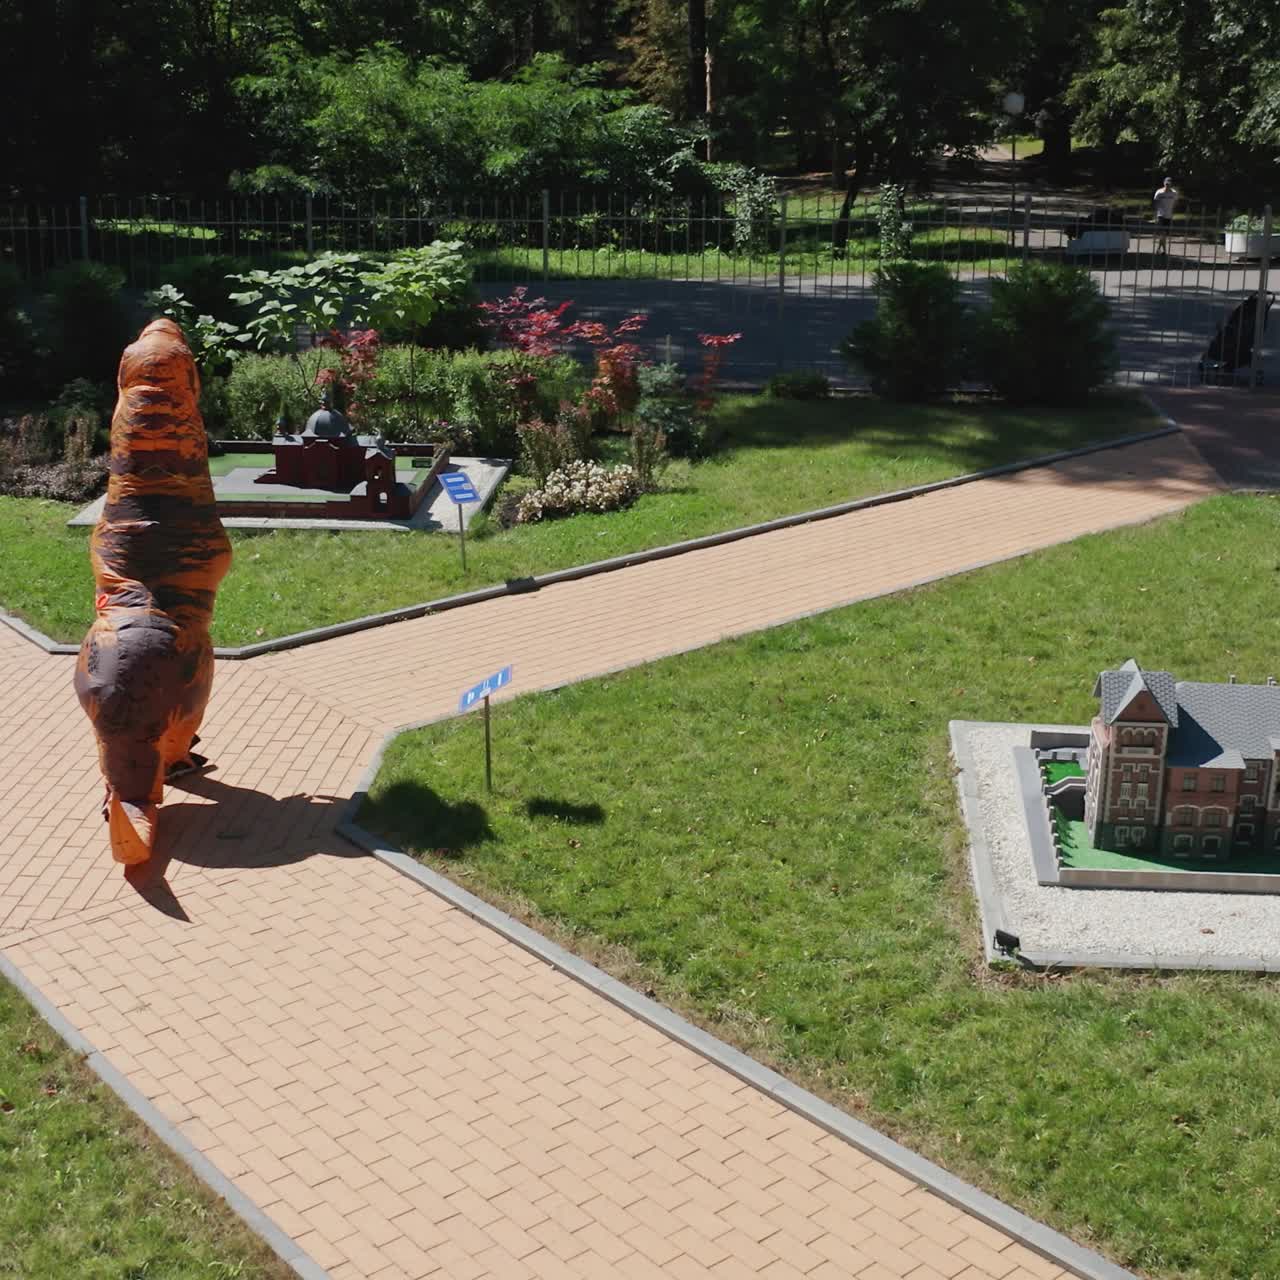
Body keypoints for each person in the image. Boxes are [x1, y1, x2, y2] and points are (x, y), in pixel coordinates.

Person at [1153, 177, 1178, 256]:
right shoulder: (1159, 192)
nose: (1167, 185)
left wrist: (1172, 211)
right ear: (1164, 183)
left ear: (1171, 184)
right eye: (1166, 183)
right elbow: (1155, 203)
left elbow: (1175, 203)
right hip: (1161, 215)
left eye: (1169, 184)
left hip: (1169, 216)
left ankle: (1158, 249)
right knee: (1162, 233)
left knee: (1164, 235)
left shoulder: (1174, 193)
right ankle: (1164, 251)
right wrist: (1156, 215)